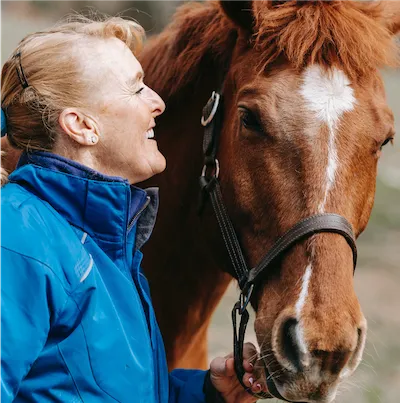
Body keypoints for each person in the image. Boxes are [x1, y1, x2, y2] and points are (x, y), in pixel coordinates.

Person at [0, 15, 266, 402]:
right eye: (136, 87)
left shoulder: (107, 244)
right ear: (81, 125)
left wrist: (206, 393)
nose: (157, 102)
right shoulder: (17, 239)